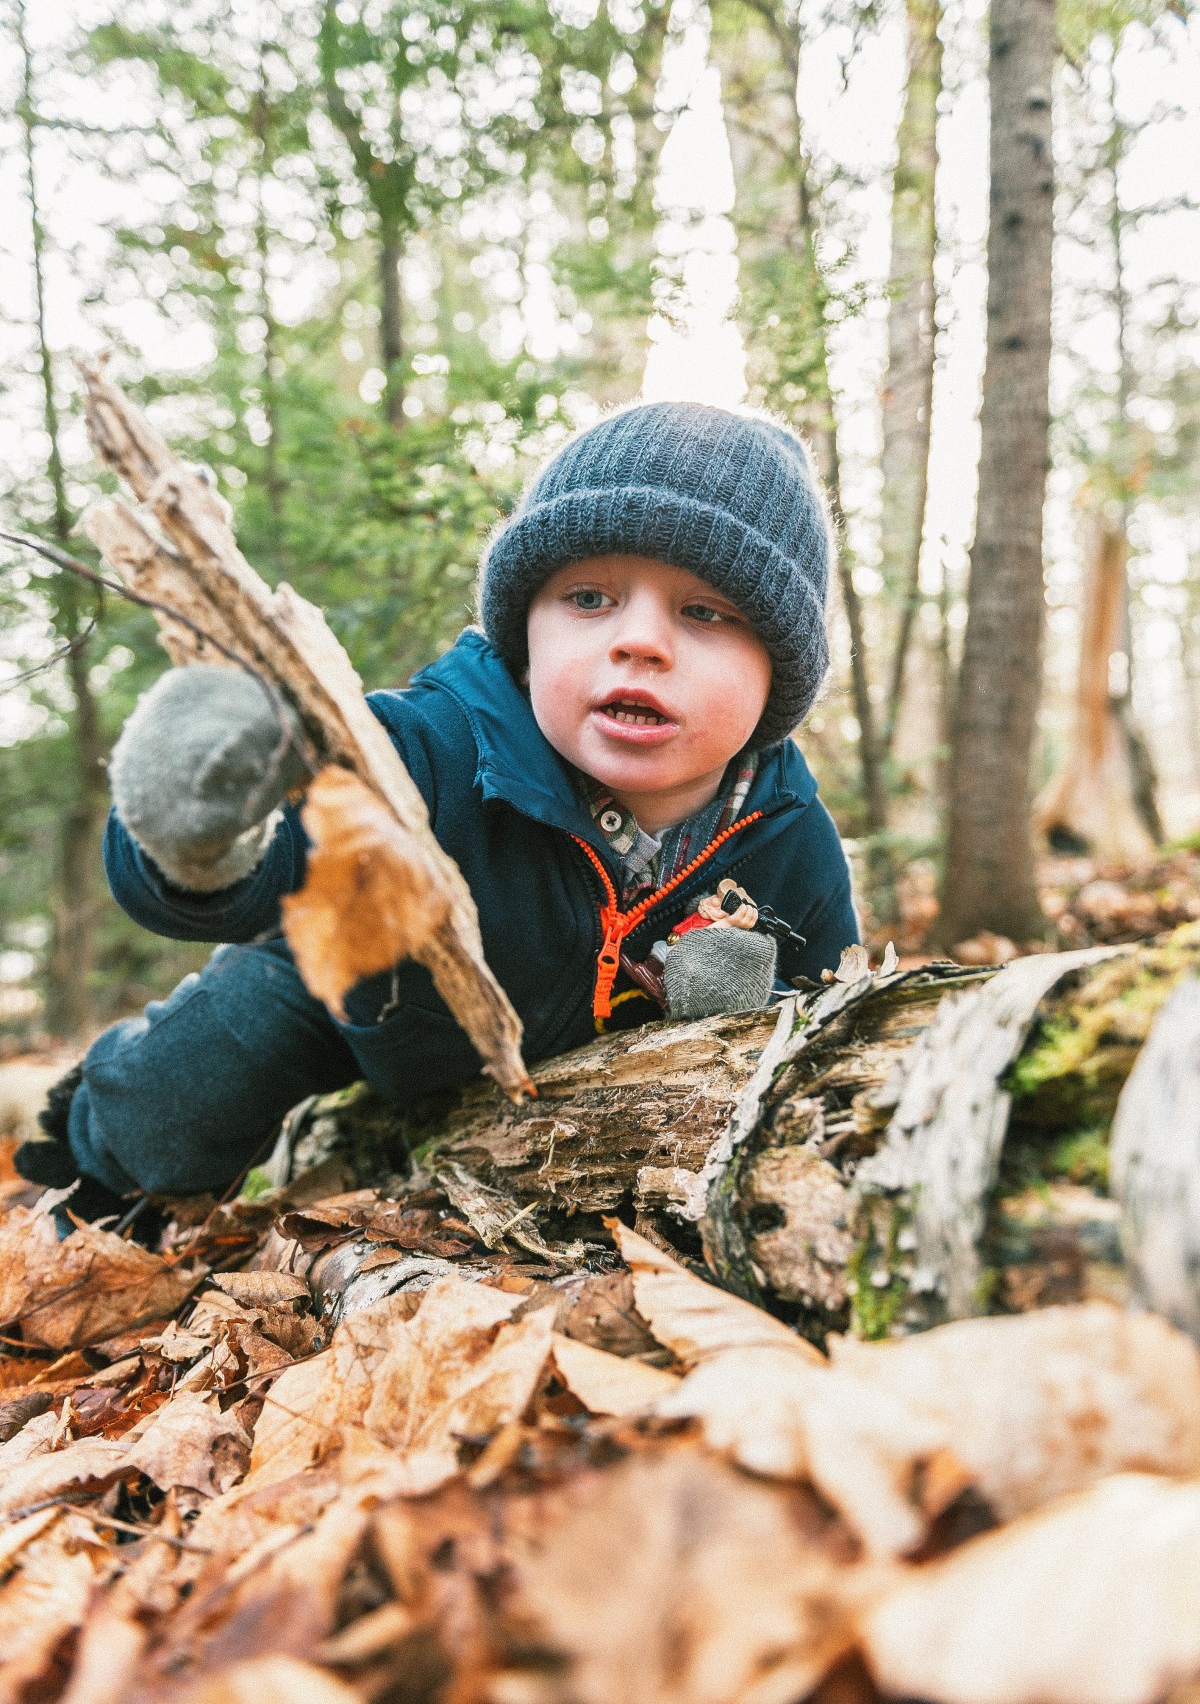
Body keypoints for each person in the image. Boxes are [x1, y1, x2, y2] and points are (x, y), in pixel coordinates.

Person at [16, 401, 858, 1213]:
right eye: (589, 599)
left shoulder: (786, 834)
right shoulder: (431, 747)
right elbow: (249, 870)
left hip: (558, 1092)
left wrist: (763, 1008)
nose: (637, 640)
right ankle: (97, 1167)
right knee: (207, 1068)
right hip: (368, 993)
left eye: (704, 611)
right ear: (525, 626)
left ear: (778, 674)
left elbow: (835, 1014)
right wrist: (193, 834)